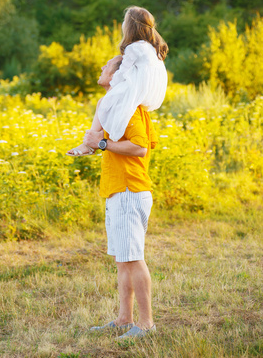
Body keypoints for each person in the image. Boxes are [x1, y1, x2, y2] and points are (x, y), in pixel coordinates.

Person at [83, 54, 159, 340]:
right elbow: (109, 143)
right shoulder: (116, 105)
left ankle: (147, 324)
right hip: (117, 191)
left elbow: (139, 147)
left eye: (107, 66)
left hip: (130, 190)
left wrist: (102, 143)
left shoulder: (132, 108)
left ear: (118, 75)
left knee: (134, 258)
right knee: (123, 259)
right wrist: (91, 145)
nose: (102, 68)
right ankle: (124, 319)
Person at [67, 5, 168, 156]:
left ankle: (89, 144)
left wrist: (113, 88)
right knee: (106, 103)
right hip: (149, 91)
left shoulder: (134, 48)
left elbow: (122, 72)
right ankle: (95, 139)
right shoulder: (152, 48)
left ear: (129, 27)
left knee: (104, 101)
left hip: (136, 89)